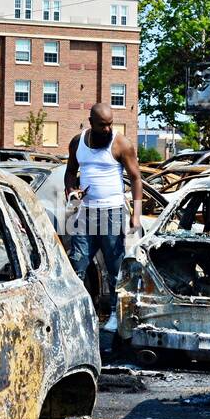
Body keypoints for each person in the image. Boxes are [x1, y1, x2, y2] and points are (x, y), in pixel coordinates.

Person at [65, 103, 143, 332]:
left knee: (114, 267)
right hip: (86, 212)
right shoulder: (77, 142)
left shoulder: (121, 143)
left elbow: (136, 178)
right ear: (91, 122)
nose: (108, 129)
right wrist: (71, 190)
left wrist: (136, 215)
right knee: (77, 263)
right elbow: (70, 171)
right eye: (103, 125)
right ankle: (77, 315)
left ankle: (114, 317)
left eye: (110, 124)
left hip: (112, 212)